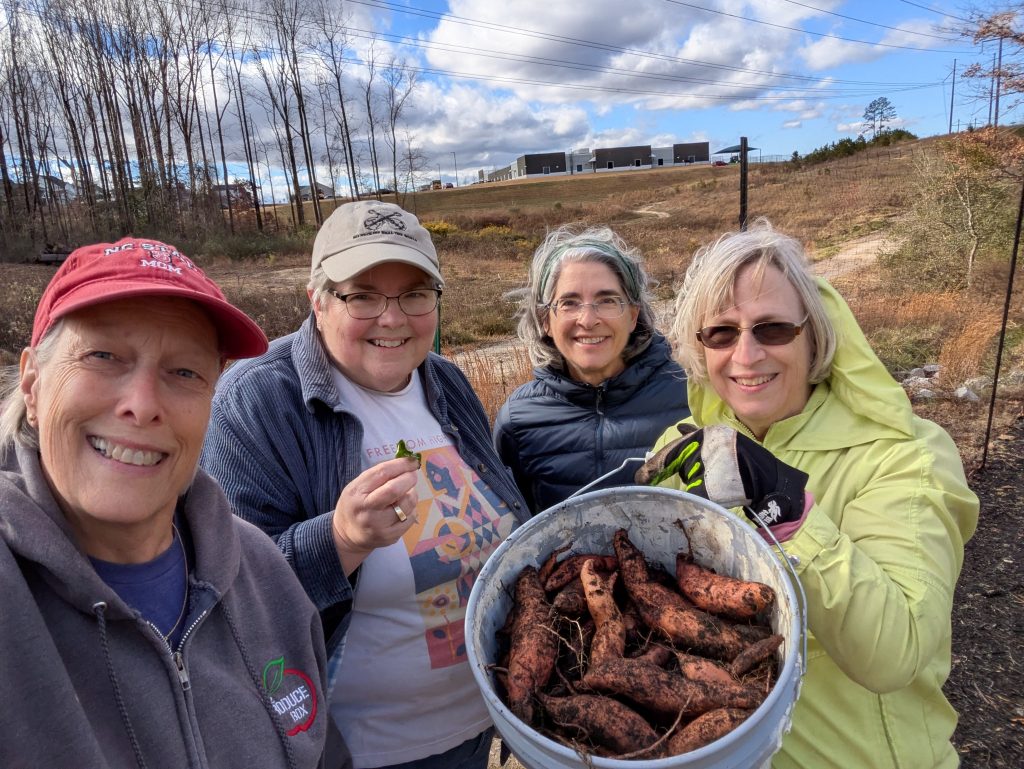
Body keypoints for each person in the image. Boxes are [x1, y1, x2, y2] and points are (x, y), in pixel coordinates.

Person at [637, 219, 979, 769]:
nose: (746, 356)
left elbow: (896, 654)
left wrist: (787, 511)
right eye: (721, 333)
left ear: (814, 334)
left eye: (772, 329)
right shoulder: (686, 450)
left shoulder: (903, 456)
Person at [199, 200, 530, 769]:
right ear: (318, 300)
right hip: (365, 750)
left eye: (414, 294)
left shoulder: (443, 379)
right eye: (363, 295)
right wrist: (341, 539)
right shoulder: (257, 401)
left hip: (480, 725)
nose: (393, 318)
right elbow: (230, 595)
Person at [0, 238, 341, 768]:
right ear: (33, 382)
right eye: (103, 355)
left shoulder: (262, 574)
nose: (142, 405)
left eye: (184, 372)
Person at [493, 225, 690, 512]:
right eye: (569, 303)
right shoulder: (518, 420)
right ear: (545, 320)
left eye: (607, 300)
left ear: (633, 316)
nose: (587, 319)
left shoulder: (688, 396)